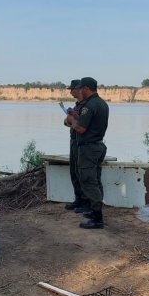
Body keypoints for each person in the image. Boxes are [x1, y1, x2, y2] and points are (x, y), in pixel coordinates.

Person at [67, 77, 109, 229]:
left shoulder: (89, 105)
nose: (79, 91)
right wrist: (77, 117)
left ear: (86, 88)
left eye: (81, 88)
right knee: (95, 179)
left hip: (88, 148)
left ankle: (97, 219)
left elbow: (81, 129)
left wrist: (72, 120)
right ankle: (94, 211)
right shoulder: (102, 103)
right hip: (98, 146)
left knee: (88, 181)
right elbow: (89, 123)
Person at [63, 79, 89, 213]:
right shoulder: (77, 105)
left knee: (81, 172)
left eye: (71, 89)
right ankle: (78, 200)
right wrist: (70, 120)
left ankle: (85, 202)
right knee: (73, 171)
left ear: (78, 89)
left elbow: (82, 124)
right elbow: (66, 121)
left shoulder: (86, 105)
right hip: (73, 140)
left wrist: (72, 121)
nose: (70, 91)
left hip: (81, 141)